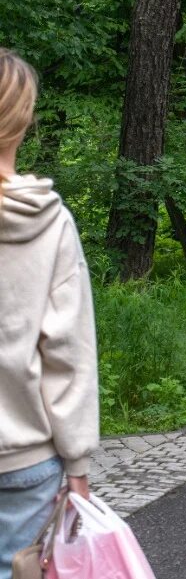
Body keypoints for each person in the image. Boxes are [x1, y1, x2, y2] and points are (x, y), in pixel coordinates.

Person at [0, 49, 97, 579]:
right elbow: (68, 354)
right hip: (22, 463)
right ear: (25, 120)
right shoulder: (50, 223)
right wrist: (78, 468)